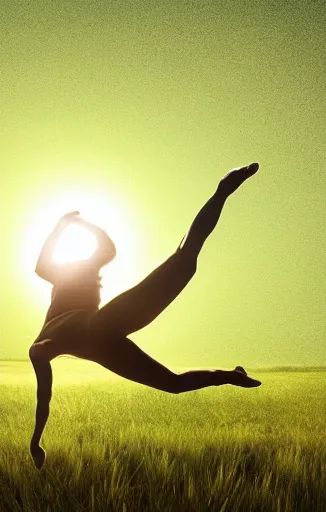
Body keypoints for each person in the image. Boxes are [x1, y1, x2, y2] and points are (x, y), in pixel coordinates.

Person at [28, 162, 262, 469]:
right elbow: (44, 394)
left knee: (184, 262)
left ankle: (223, 189)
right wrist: (65, 227)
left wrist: (36, 441)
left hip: (103, 329)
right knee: (174, 383)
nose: (93, 279)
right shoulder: (58, 290)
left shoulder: (60, 307)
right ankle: (232, 376)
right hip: (104, 343)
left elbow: (101, 251)